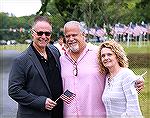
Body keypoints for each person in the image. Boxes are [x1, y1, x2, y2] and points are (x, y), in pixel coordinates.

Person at [60, 21, 144, 118]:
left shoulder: (98, 53)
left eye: (74, 35)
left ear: (83, 35)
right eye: (67, 36)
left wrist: (136, 79)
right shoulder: (62, 59)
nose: (71, 39)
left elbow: (118, 71)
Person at [8, 16, 63, 118]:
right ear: (32, 33)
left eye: (47, 33)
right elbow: (14, 90)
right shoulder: (21, 60)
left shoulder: (54, 51)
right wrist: (41, 102)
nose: (43, 36)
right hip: (35, 114)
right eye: (39, 33)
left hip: (58, 112)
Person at [98, 40, 143, 118]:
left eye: (109, 54)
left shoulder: (126, 74)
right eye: (103, 56)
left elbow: (133, 109)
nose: (106, 58)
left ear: (117, 56)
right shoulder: (107, 77)